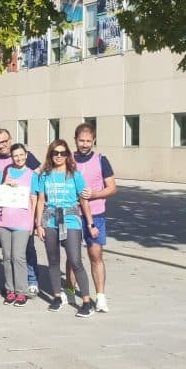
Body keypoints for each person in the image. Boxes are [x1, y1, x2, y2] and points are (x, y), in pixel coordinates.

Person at [34, 139, 99, 317]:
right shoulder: (44, 175)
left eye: (63, 153)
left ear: (67, 155)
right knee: (53, 260)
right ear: (51, 155)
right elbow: (40, 200)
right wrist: (38, 224)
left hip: (70, 219)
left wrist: (90, 223)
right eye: (56, 153)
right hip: (50, 219)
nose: (59, 156)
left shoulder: (74, 175)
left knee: (75, 259)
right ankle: (57, 296)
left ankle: (86, 301)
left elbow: (84, 200)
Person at [0, 128, 43, 294]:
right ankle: (10, 285)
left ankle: (31, 280)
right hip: (0, 210)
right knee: (5, 250)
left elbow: (37, 181)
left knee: (25, 249)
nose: (1, 145)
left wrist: (35, 220)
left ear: (10, 140)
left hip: (23, 214)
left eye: (4, 141)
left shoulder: (26, 159)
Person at [72, 123, 117, 312]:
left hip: (96, 214)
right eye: (81, 140)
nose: (84, 144)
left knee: (95, 255)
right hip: (71, 214)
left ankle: (100, 296)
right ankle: (69, 289)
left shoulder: (101, 160)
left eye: (88, 141)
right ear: (75, 140)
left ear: (94, 141)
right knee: (72, 256)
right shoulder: (67, 159)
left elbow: (112, 188)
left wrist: (95, 194)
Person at [0, 143, 37, 307]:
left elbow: (34, 199)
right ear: (12, 157)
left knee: (18, 257)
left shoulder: (32, 175)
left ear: (26, 155)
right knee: (7, 258)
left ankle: (21, 291)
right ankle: (10, 290)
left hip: (22, 223)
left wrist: (33, 223)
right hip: (4, 222)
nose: (18, 158)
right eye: (15, 155)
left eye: (21, 154)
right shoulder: (5, 172)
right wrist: (4, 185)